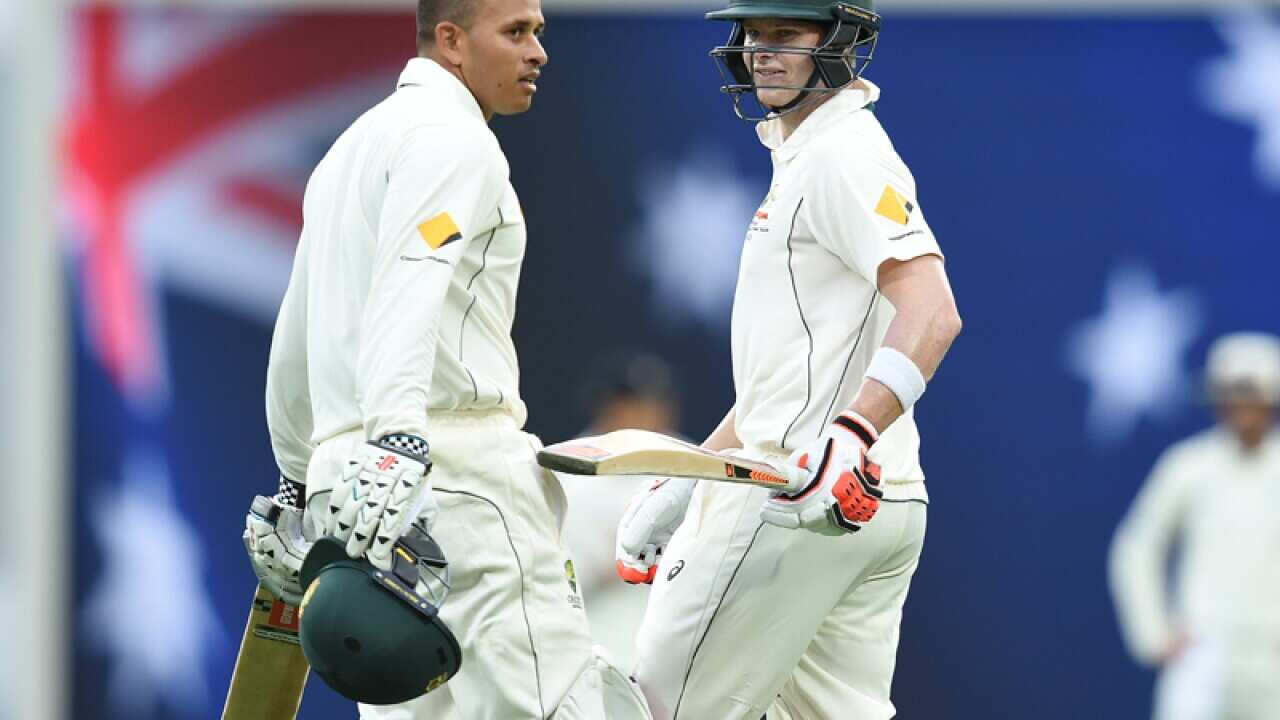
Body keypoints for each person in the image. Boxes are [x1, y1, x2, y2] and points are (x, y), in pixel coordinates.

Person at [241, 0, 649, 717]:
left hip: (357, 487)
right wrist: (399, 435)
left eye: (540, 33)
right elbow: (414, 279)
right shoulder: (453, 139)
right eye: (516, 32)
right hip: (446, 469)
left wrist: (300, 476)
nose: (538, 53)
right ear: (452, 41)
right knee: (553, 706)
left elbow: (296, 330)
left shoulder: (351, 150)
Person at [613, 1, 962, 718]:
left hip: (799, 494)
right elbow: (790, 376)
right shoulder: (809, 155)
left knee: (658, 709)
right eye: (752, 33)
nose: (759, 50)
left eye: (785, 34)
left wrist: (850, 436)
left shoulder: (841, 155)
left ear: (840, 41)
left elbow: (934, 312)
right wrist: (688, 476)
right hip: (871, 498)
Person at [1109, 333, 1280, 720]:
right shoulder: (1188, 465)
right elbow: (1137, 545)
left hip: (1273, 654)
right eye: (1234, 395)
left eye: (1253, 395)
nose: (1244, 408)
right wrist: (1153, 632)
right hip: (1202, 650)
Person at [559, 352, 682, 669]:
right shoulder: (569, 473)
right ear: (608, 407)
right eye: (632, 402)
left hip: (673, 646)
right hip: (596, 642)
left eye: (653, 402)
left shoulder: (691, 467)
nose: (645, 414)